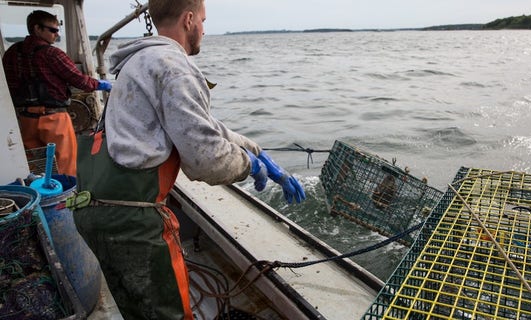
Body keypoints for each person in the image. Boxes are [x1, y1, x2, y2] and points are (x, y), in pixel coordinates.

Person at [71, 0, 305, 319]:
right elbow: (205, 160)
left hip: (93, 209)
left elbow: (203, 127)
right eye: (204, 22)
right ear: (189, 19)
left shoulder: (137, 62)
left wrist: (257, 151)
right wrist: (249, 166)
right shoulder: (173, 66)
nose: (205, 30)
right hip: (133, 223)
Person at [2, 10, 112, 176]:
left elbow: (8, 84)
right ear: (37, 28)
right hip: (54, 119)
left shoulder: (12, 53)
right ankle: (66, 199)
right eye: (52, 30)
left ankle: (46, 195)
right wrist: (101, 84)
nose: (56, 34)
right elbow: (79, 80)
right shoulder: (52, 53)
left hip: (26, 119)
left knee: (38, 166)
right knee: (66, 167)